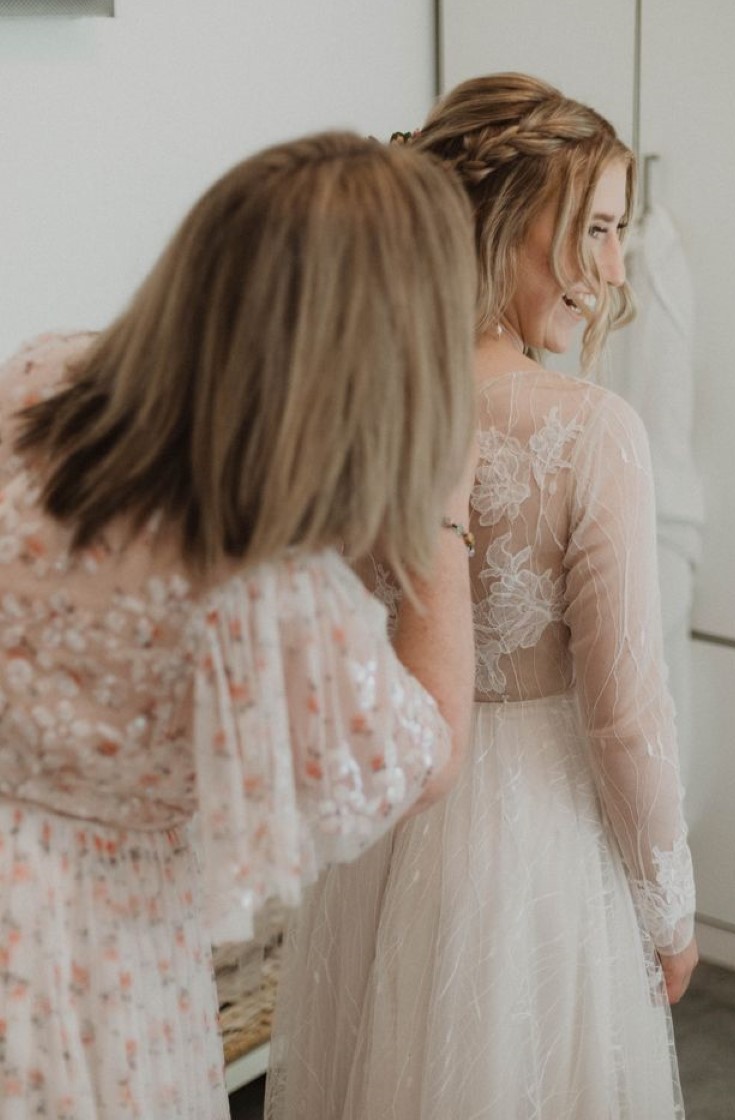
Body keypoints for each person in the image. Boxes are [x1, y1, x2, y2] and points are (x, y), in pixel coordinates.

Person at [0, 131, 480, 1119]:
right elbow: (427, 757)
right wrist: (440, 522)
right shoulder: (269, 594)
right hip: (89, 970)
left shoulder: (42, 379)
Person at [265, 74, 698, 1120]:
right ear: (507, 220)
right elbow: (626, 715)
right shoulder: (592, 431)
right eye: (592, 231)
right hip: (531, 865)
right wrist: (671, 912)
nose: (609, 274)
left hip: (379, 838)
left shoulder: (351, 402)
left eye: (619, 235)